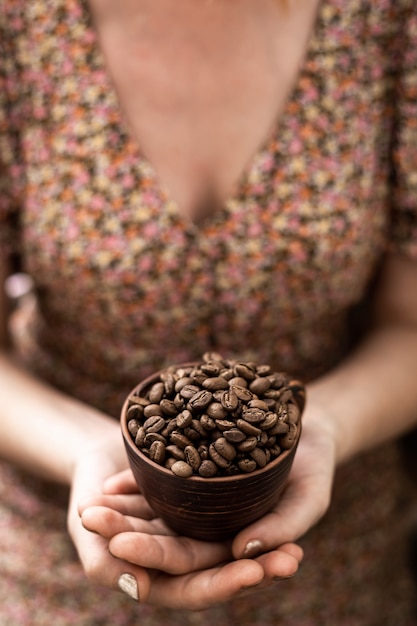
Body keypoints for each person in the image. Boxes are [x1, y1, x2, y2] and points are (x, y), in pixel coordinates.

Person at [1, 0, 417, 624]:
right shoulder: (19, 25)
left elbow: (409, 324)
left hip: (332, 561)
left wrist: (324, 426)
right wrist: (88, 452)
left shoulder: (388, 22)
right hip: (63, 556)